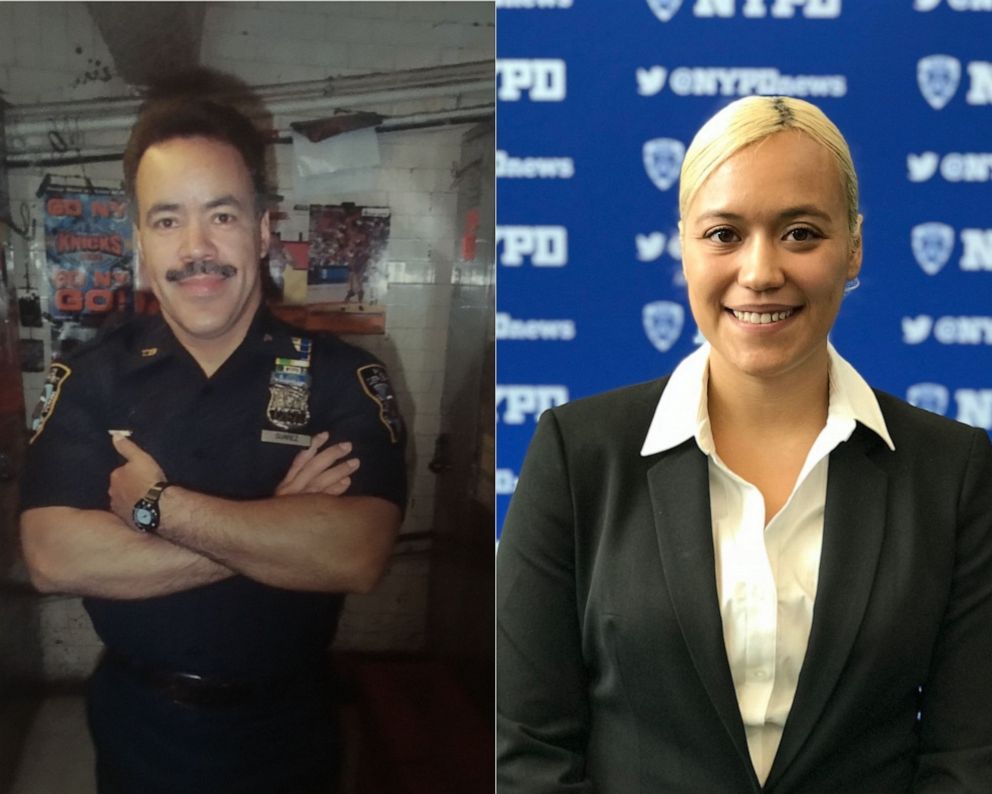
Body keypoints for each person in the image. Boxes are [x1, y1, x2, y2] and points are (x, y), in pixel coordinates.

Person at [497, 96, 992, 793]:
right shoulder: (577, 456)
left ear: (854, 246)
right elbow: (526, 747)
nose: (759, 272)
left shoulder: (954, 470)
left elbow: (968, 756)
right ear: (683, 246)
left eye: (800, 233)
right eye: (724, 234)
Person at [20, 95, 407, 793]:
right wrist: (275, 520)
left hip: (290, 729)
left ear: (263, 231)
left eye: (221, 215)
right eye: (168, 220)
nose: (196, 247)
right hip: (140, 726)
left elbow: (357, 552)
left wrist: (159, 509)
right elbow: (53, 557)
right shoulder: (88, 377)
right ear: (140, 240)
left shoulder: (343, 377)